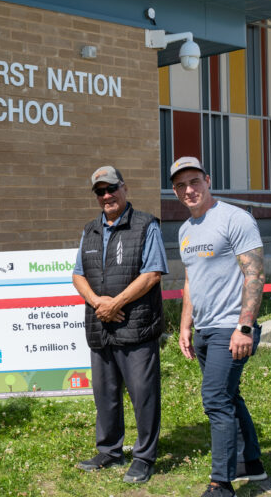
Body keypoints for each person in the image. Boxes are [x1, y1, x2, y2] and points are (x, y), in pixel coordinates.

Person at [171, 156, 267, 497]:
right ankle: (251, 462)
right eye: (181, 185)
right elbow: (190, 280)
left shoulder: (234, 219)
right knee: (229, 395)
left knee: (215, 399)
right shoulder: (185, 230)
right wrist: (185, 326)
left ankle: (221, 484)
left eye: (194, 181)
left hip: (232, 326)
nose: (189, 189)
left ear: (208, 180)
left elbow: (254, 274)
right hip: (204, 330)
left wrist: (245, 326)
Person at [72, 166, 168, 484]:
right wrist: (99, 303)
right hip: (101, 326)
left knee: (143, 394)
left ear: (124, 188)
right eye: (100, 191)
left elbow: (152, 273)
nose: (107, 196)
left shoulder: (145, 225)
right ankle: (110, 451)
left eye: (111, 188)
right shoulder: (90, 230)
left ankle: (143, 457)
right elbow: (78, 274)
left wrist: (116, 303)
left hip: (136, 326)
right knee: (105, 394)